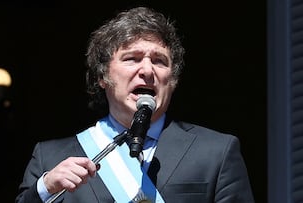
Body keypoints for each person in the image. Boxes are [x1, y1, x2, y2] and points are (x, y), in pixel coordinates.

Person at [15, 6, 255, 203]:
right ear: (102, 76)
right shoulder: (50, 157)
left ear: (172, 80)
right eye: (132, 59)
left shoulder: (216, 152)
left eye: (160, 61)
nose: (147, 71)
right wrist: (45, 189)